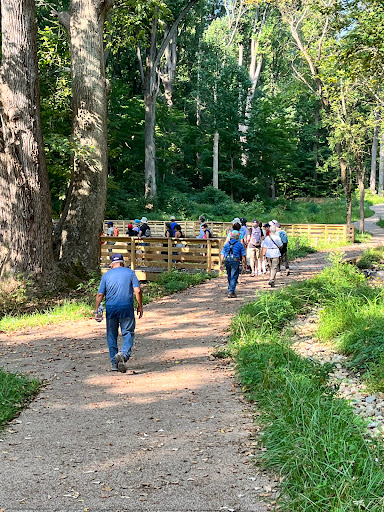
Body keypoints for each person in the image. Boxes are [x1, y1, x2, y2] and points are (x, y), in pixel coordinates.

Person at [95, 253, 143, 372]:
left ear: (112, 264)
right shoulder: (130, 273)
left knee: (111, 334)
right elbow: (137, 290)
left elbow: (100, 294)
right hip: (126, 307)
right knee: (128, 332)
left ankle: (114, 363)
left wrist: (97, 310)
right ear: (123, 262)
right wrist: (140, 306)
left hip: (111, 308)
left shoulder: (106, 275)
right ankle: (124, 353)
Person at [220, 230, 246, 298]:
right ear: (237, 238)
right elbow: (243, 255)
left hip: (227, 260)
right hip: (235, 260)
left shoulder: (226, 244)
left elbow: (222, 254)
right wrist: (244, 263)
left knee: (229, 275)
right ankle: (231, 291)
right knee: (234, 276)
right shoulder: (240, 244)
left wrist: (221, 262)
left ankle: (230, 288)